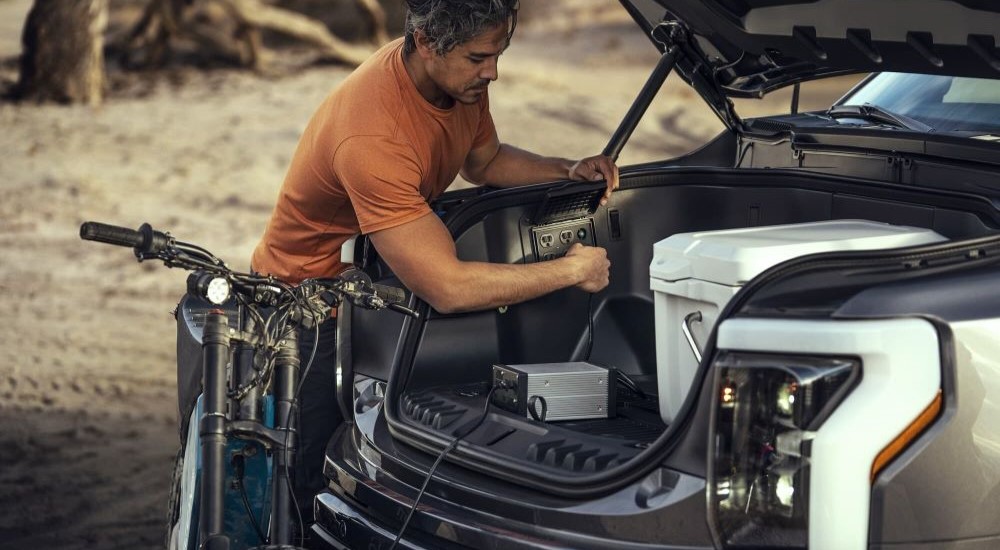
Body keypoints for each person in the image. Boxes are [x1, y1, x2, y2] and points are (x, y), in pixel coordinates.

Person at [250, 0, 617, 519]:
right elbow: (447, 287)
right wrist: (571, 271)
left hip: (373, 294)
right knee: (311, 488)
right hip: (306, 312)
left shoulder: (455, 84)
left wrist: (566, 170)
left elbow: (483, 160)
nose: (492, 72)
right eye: (478, 58)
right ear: (426, 43)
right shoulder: (371, 135)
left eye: (498, 54)